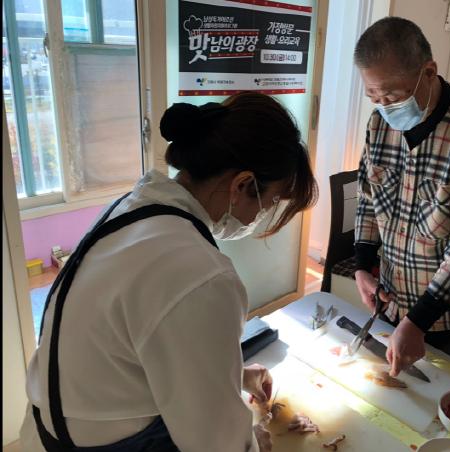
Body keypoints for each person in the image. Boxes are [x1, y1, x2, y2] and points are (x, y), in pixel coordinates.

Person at [20, 92, 318, 451]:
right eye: (270, 203)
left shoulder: (134, 208)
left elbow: (132, 338)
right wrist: (251, 441)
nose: (261, 216)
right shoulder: (202, 275)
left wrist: (228, 373)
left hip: (51, 424)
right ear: (242, 185)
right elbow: (216, 444)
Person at [352, 17, 450, 376]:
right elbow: (367, 198)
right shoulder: (378, 123)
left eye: (392, 96)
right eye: (374, 97)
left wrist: (420, 319)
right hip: (392, 295)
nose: (384, 107)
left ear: (428, 71)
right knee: (391, 391)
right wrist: (362, 265)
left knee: (444, 392)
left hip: (449, 310)